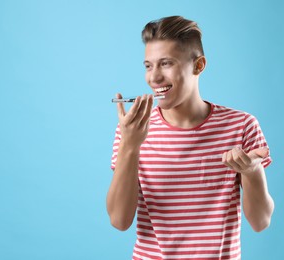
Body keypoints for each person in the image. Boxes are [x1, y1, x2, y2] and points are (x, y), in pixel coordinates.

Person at [107, 15, 274, 260]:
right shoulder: (131, 130)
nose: (154, 78)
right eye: (148, 65)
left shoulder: (242, 126)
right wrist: (130, 147)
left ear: (198, 65)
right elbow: (119, 220)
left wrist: (251, 172)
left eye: (166, 63)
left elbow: (261, 222)